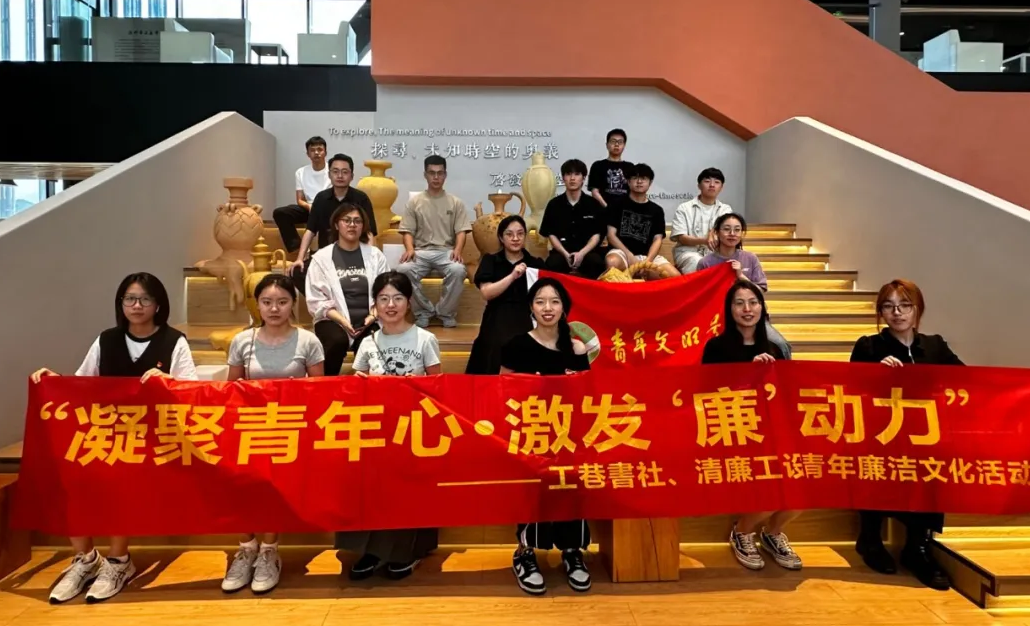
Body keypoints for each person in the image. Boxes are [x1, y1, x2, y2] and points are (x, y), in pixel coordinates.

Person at [32, 272, 198, 604]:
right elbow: (81, 383)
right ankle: (85, 559)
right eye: (129, 299)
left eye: (145, 299)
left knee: (120, 478)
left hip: (155, 439)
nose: (137, 306)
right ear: (121, 304)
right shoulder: (106, 340)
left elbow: (194, 392)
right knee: (68, 476)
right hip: (106, 433)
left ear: (158, 305)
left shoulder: (174, 340)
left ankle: (119, 561)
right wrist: (54, 381)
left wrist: (167, 382)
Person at [850, 279, 961, 591]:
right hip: (881, 435)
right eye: (888, 306)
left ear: (917, 309)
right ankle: (870, 538)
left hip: (924, 437)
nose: (897, 313)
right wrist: (875, 373)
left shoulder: (935, 346)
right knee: (874, 459)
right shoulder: (869, 346)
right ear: (881, 313)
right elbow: (850, 392)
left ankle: (917, 546)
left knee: (934, 461)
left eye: (904, 305)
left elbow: (965, 380)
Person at [222, 274, 324, 595]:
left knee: (273, 486)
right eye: (267, 302)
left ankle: (269, 551)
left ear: (293, 304)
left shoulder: (308, 341)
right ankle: (245, 549)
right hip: (250, 428)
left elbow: (320, 392)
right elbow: (230, 390)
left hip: (289, 430)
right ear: (258, 305)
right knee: (239, 486)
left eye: (282, 302)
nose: (274, 309)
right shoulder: (243, 341)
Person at [338, 271, 441, 580]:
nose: (391, 305)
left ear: (408, 302)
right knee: (372, 492)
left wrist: (414, 387)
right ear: (375, 304)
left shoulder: (425, 339)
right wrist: (361, 383)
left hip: (412, 429)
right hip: (374, 429)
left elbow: (438, 387)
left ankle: (408, 551)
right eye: (383, 299)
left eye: (397, 298)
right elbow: (355, 382)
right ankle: (371, 551)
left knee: (407, 493)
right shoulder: (368, 342)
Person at [702, 280, 802, 573]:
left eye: (753, 302)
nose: (747, 309)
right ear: (729, 309)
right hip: (733, 432)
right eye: (739, 303)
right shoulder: (716, 347)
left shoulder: (775, 348)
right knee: (772, 492)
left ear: (762, 307)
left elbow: (786, 394)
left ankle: (772, 533)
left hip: (772, 431)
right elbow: (707, 394)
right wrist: (748, 375)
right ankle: (742, 531)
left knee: (801, 491)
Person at [500, 278, 592, 596]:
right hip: (531, 435)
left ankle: (572, 552)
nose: (547, 308)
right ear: (531, 307)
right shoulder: (516, 345)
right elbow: (503, 392)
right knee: (534, 492)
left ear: (564, 308)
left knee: (572, 489)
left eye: (554, 301)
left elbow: (586, 396)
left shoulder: (577, 348)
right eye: (540, 301)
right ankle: (525, 554)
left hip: (569, 436)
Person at [305, 203, 388, 376]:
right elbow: (316, 301)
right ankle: (326, 386)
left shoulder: (375, 256)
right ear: (336, 224)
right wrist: (343, 321)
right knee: (336, 341)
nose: (352, 225)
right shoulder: (321, 258)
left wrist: (372, 317)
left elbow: (386, 292)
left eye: (357, 221)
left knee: (371, 344)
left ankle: (367, 389)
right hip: (333, 320)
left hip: (370, 319)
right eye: (347, 220)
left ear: (363, 226)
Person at [698, 213, 792, 359]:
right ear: (717, 232)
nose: (732, 233)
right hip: (716, 318)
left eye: (737, 230)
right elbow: (701, 296)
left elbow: (760, 291)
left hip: (751, 318)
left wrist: (741, 275)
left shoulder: (750, 258)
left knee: (781, 344)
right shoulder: (705, 262)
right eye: (726, 229)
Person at [396, 155, 471, 328]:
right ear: (425, 175)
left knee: (458, 270)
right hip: (420, 252)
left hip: (446, 251)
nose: (436, 177)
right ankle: (424, 312)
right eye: (432, 173)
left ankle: (445, 312)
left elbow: (461, 231)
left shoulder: (455, 202)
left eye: (440, 173)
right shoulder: (414, 202)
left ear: (445, 175)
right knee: (403, 270)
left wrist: (457, 250)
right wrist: (409, 249)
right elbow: (407, 231)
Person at [466, 215, 545, 374]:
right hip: (497, 312)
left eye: (520, 234)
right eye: (509, 234)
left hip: (526, 314)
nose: (515, 238)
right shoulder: (490, 260)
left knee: (526, 342)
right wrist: (512, 276)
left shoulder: (535, 263)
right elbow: (487, 293)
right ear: (501, 238)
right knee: (497, 341)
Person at [288, 153, 376, 294]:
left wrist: (369, 258)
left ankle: (342, 301)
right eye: (335, 171)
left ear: (352, 176)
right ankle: (325, 301)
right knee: (297, 272)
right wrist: (299, 258)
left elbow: (369, 231)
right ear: (329, 175)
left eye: (345, 172)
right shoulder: (321, 198)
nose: (340, 176)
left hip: (354, 255)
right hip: (325, 256)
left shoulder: (361, 198)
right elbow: (310, 230)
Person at [604, 164, 680, 276]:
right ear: (628, 182)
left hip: (647, 256)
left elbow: (657, 239)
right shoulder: (616, 204)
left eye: (643, 178)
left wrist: (647, 262)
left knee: (675, 277)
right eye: (635, 178)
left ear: (650, 182)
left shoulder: (657, 210)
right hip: (622, 253)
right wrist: (629, 255)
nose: (639, 181)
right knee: (612, 262)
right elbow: (611, 236)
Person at [539, 159, 607, 279]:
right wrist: (565, 254)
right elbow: (551, 234)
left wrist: (582, 253)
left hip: (587, 253)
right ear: (563, 178)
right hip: (561, 253)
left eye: (577, 174)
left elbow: (597, 235)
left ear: (583, 178)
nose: (572, 178)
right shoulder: (554, 204)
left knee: (596, 263)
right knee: (552, 264)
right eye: (568, 174)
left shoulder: (593, 204)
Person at [272, 136, 331, 255]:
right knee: (280, 213)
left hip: (328, 209)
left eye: (320, 149)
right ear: (308, 154)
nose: (316, 153)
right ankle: (298, 248)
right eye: (312, 150)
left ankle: (322, 253)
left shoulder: (333, 170)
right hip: (309, 208)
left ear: (325, 152)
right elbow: (300, 200)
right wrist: (310, 207)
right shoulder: (301, 172)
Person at [671, 167, 733, 274]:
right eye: (707, 181)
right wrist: (705, 240)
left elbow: (726, 231)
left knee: (732, 264)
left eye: (717, 182)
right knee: (697, 262)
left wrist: (713, 232)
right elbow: (682, 238)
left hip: (716, 252)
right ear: (699, 185)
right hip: (688, 252)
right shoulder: (684, 208)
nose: (712, 185)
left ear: (721, 187)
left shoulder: (725, 209)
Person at [587, 128, 633, 208]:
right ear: (607, 145)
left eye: (620, 142)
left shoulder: (630, 167)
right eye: (613, 141)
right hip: (602, 210)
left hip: (626, 210)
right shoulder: (597, 165)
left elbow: (634, 192)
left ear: (624, 145)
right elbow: (595, 192)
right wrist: (607, 208)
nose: (616, 144)